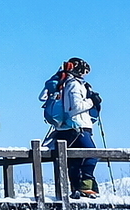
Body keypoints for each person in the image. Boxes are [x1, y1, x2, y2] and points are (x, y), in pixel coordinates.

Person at [43, 58, 101, 198]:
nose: (86, 74)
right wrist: (92, 101)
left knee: (74, 160)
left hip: (66, 129)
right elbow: (74, 108)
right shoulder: (74, 85)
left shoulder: (65, 84)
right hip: (78, 127)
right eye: (85, 71)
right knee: (92, 154)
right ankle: (86, 185)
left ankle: (76, 189)